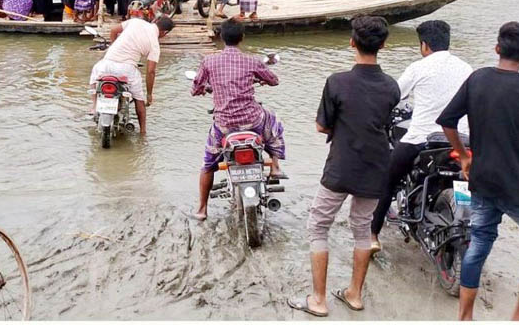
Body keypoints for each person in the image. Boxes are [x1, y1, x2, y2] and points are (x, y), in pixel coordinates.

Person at [438, 22, 519, 321]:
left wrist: (465, 157)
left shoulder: (477, 78)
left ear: (497, 48)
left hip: (482, 179)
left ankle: (465, 316)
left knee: (479, 240)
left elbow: (448, 122)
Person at [288, 16, 399, 318]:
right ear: (384, 45)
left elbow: (322, 127)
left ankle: (319, 300)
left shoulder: (337, 82)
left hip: (341, 165)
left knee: (318, 226)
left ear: (352, 42)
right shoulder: (391, 86)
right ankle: (354, 295)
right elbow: (383, 121)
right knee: (362, 228)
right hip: (376, 165)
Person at [370, 20, 472, 254]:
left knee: (387, 180)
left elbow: (394, 95)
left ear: (424, 45)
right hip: (461, 141)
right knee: (467, 184)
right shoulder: (467, 69)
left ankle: (373, 236)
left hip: (422, 140)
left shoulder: (418, 67)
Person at [190, 19, 287, 221]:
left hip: (224, 126)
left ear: (221, 37)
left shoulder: (209, 61)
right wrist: (260, 80)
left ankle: (201, 209)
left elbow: (196, 87)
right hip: (252, 121)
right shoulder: (252, 61)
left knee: (208, 165)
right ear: (242, 38)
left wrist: (202, 89)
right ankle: (275, 165)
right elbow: (274, 80)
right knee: (273, 120)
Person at [88, 17, 175, 136]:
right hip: (127, 70)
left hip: (106, 65)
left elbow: (113, 30)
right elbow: (150, 72)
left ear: (155, 21)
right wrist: (149, 95)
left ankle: (94, 106)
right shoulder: (154, 44)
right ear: (164, 33)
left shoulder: (135, 22)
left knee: (94, 77)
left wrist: (113, 47)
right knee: (139, 99)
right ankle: (143, 132)